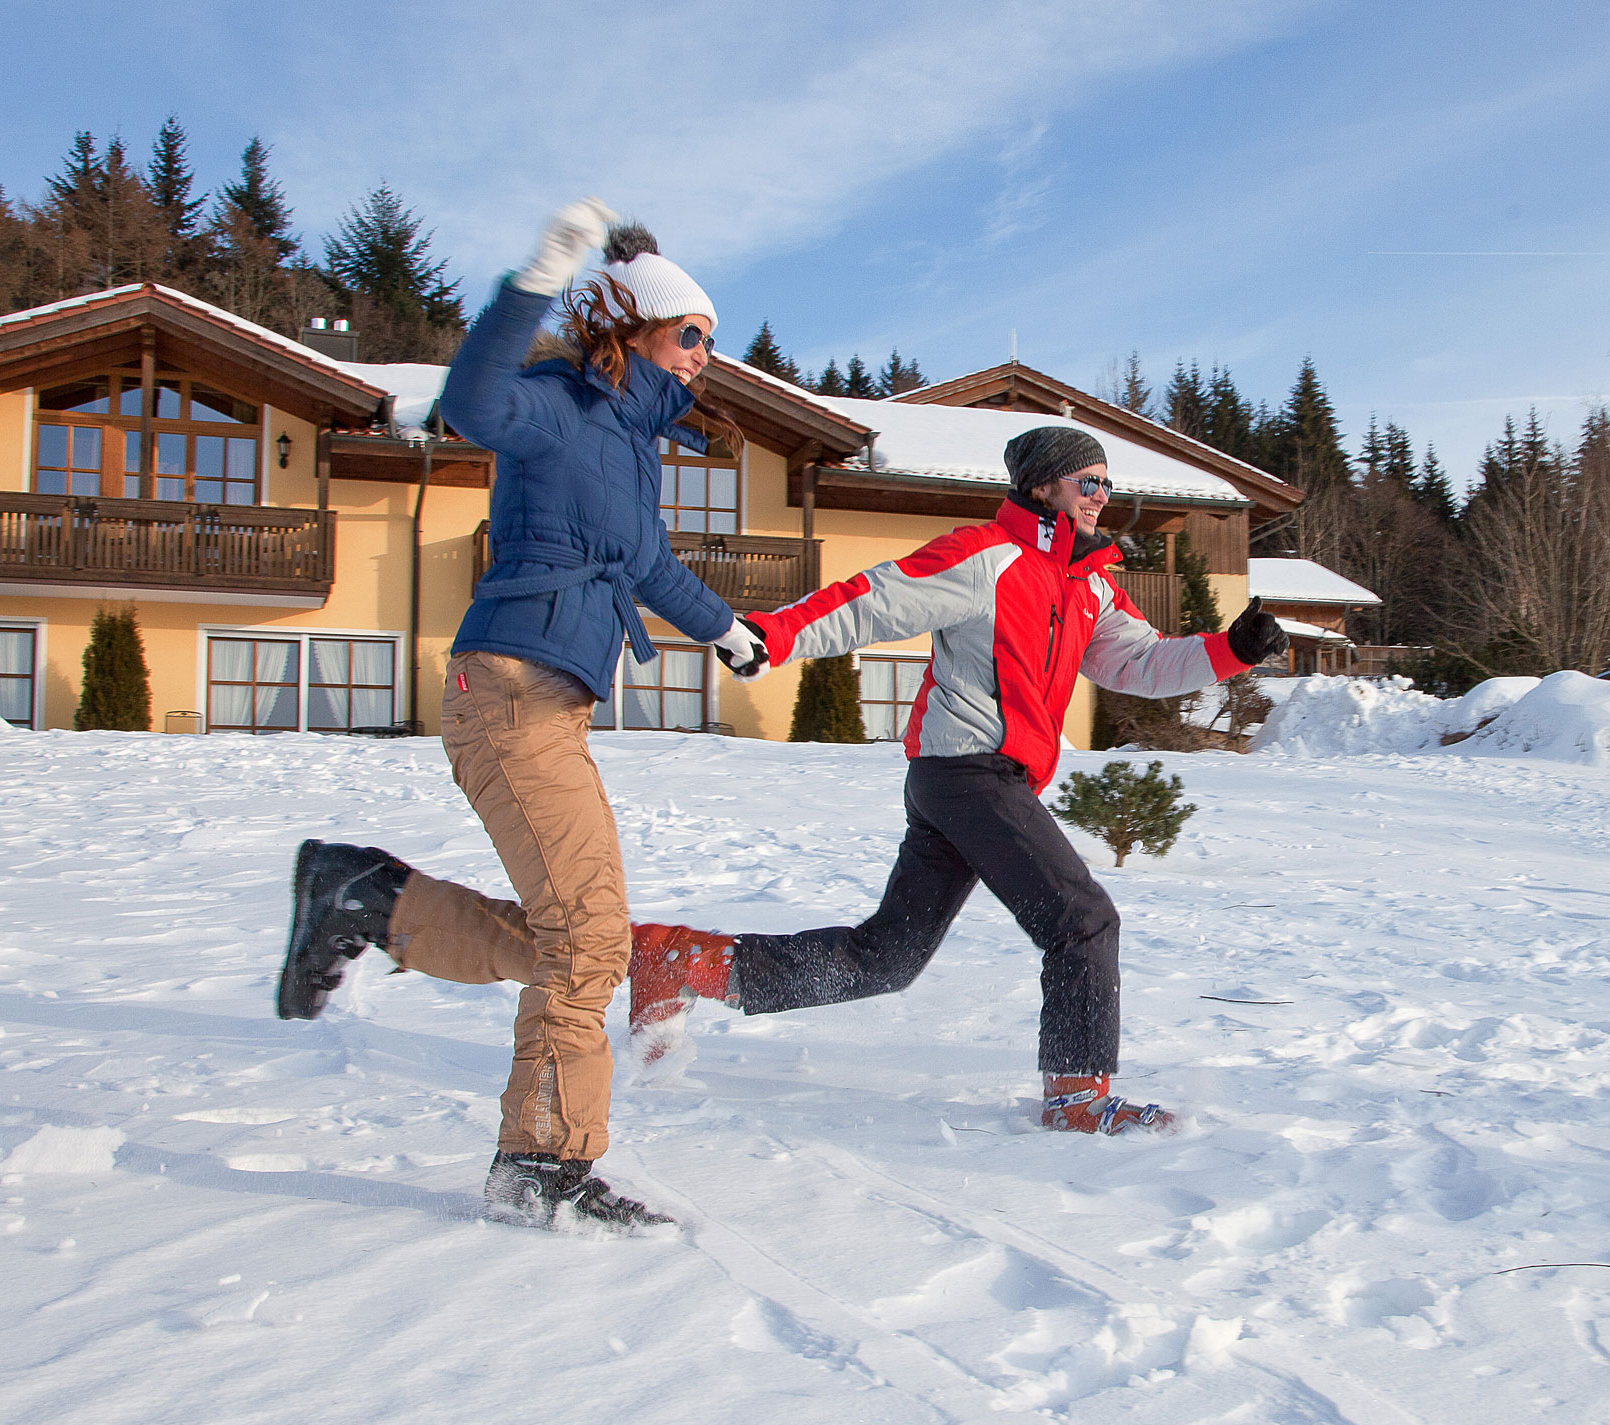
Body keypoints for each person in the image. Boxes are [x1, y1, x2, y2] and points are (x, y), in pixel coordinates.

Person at [272, 199, 770, 1231]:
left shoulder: (634, 448)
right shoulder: (554, 405)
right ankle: (539, 1165)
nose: (703, 359)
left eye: (711, 343)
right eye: (689, 336)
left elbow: (644, 565)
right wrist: (536, 280)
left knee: (571, 943)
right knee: (589, 943)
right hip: (510, 689)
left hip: (547, 698)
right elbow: (474, 405)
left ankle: (371, 897)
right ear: (628, 329)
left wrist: (724, 630)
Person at [632, 426, 1287, 1133]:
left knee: (886, 958)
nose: (1103, 496)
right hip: (967, 772)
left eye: (1106, 483)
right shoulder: (986, 557)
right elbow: (873, 599)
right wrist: (774, 635)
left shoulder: (1089, 583)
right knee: (1083, 921)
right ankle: (1077, 1098)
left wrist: (1230, 650)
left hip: (978, 782)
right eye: (1088, 482)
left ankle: (686, 962)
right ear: (1044, 486)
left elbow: (1142, 665)